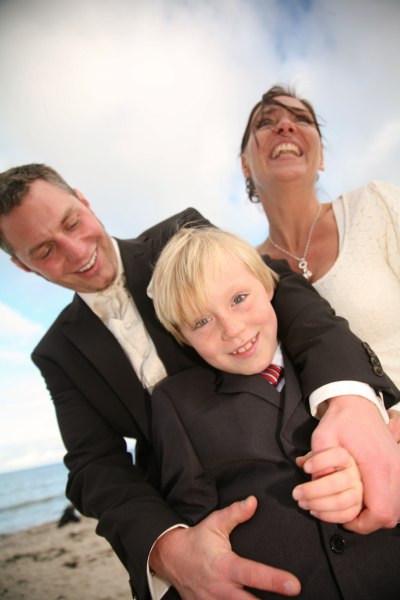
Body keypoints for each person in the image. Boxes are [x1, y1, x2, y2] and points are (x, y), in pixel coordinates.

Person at [0, 164, 399, 600]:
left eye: (72, 222)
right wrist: (168, 549)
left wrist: (351, 400)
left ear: (84, 200)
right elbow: (93, 464)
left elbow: (286, 292)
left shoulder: (180, 234)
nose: (76, 252)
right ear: (22, 265)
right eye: (45, 251)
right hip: (194, 516)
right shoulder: (56, 353)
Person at [150, 226, 400, 599]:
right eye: (201, 321)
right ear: (182, 336)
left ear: (267, 286)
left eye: (239, 298)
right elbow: (195, 531)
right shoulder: (176, 403)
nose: (233, 329)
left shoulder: (339, 366)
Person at [240, 84, 400, 402]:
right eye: (266, 122)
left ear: (322, 157)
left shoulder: (376, 204)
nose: (286, 126)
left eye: (301, 119)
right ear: (245, 165)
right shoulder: (246, 270)